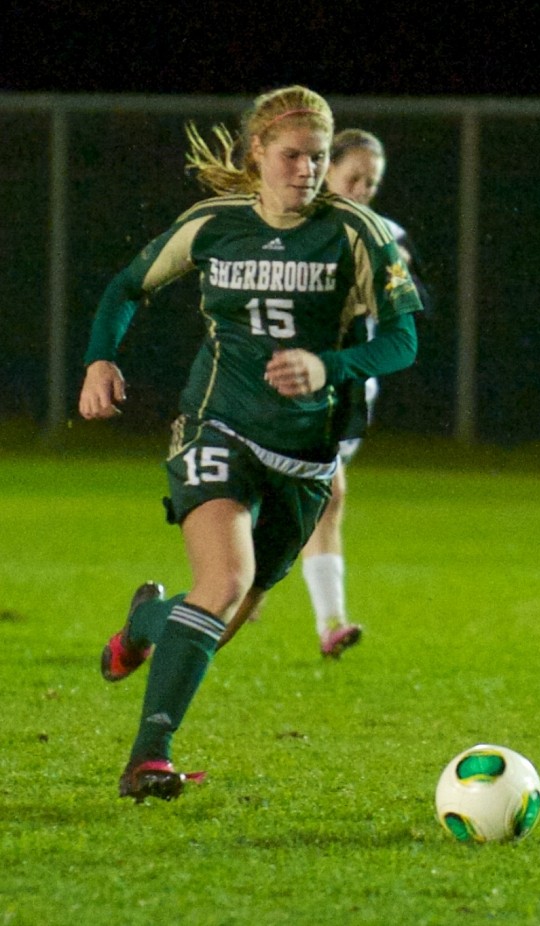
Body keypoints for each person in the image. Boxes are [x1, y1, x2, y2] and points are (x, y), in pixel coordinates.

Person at [77, 85, 424, 802]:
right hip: (219, 423)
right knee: (224, 583)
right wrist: (100, 359)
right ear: (257, 154)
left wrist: (330, 364)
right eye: (292, 155)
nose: (305, 169)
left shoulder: (359, 232)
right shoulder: (213, 224)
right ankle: (148, 757)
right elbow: (125, 287)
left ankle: (145, 620)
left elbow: (403, 340)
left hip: (304, 455)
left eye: (317, 157)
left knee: (221, 617)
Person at [299, 128, 430, 659]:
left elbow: (412, 308)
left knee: (317, 500)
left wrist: (391, 277)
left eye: (370, 184)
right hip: (296, 383)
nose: (361, 190)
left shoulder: (385, 235)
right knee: (325, 496)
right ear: (326, 171)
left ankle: (254, 588)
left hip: (350, 390)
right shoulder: (298, 230)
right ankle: (323, 618)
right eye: (353, 177)